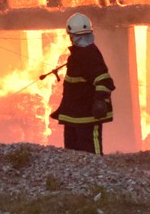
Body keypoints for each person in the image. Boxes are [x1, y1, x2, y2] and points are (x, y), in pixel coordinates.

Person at [49, 13, 114, 154]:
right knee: (73, 155)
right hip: (73, 115)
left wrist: (99, 101)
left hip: (88, 116)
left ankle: (97, 175)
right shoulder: (78, 55)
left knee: (91, 154)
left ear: (70, 35)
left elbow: (104, 80)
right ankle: (78, 176)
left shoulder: (90, 54)